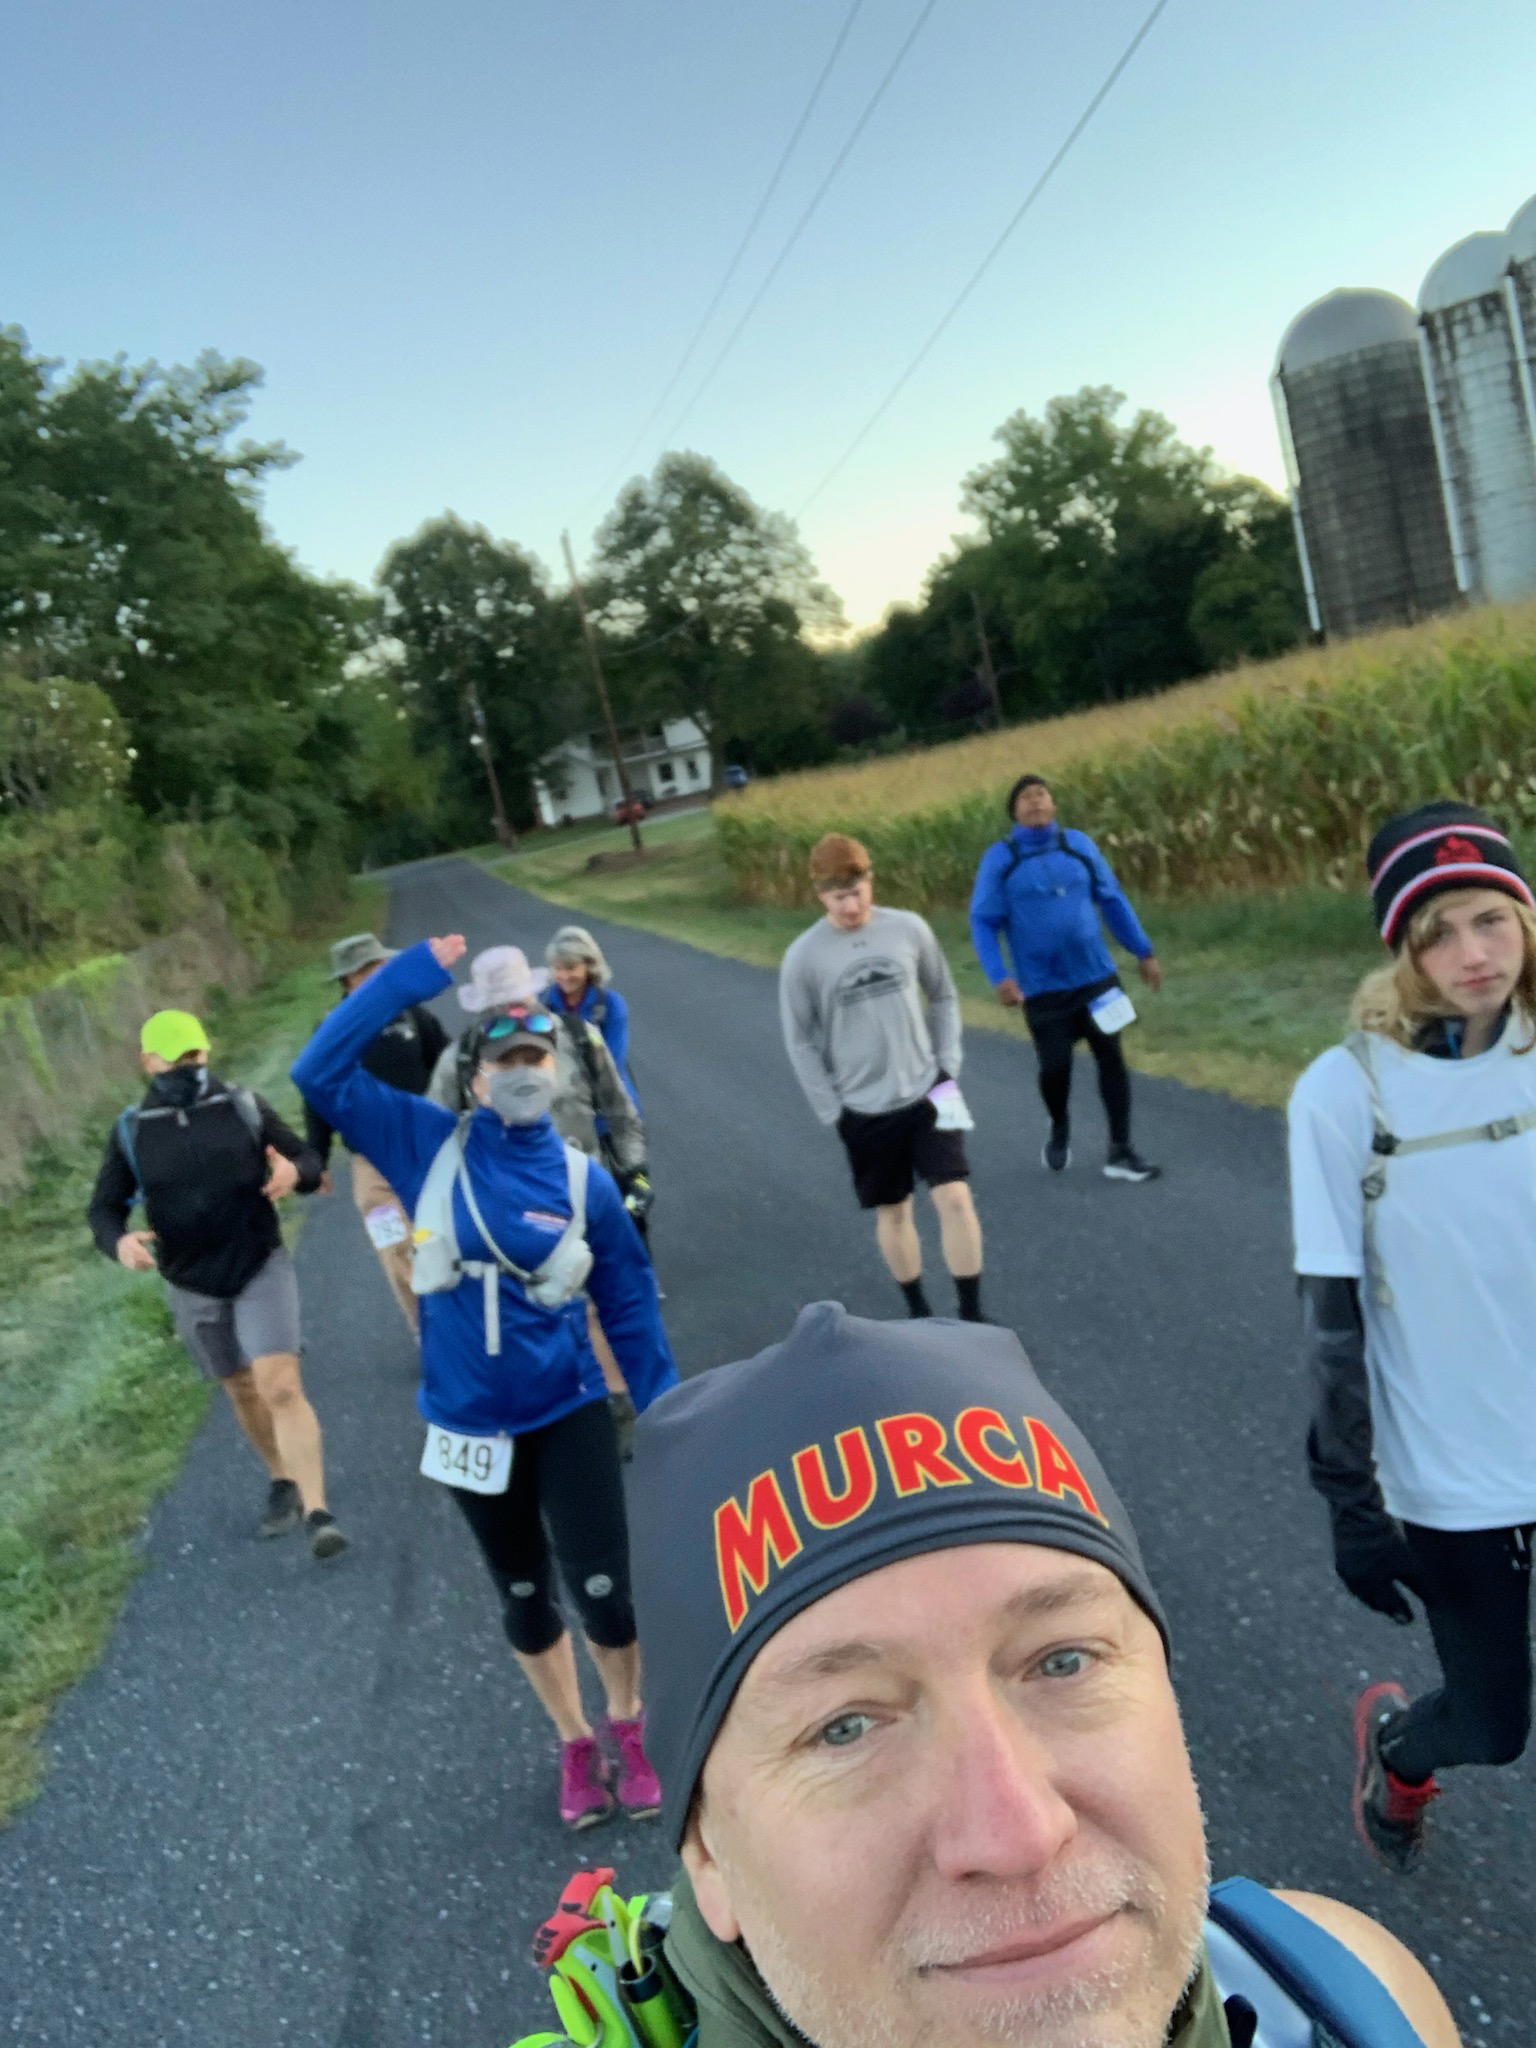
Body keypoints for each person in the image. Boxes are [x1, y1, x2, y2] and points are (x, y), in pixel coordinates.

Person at [624, 1304, 1459, 2048]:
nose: (1018, 1833)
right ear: (707, 1855)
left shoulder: (1351, 1997)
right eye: (845, 1726)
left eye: (1064, 1661)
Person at [293, 935, 676, 1828]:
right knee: (523, 1594)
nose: (521, 1073)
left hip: (568, 1408)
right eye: (504, 1061)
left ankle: (627, 1723)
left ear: (557, 1071)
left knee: (606, 1593)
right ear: (473, 1080)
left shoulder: (583, 1181)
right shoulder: (425, 1144)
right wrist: (408, 976)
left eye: (535, 1058)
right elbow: (317, 1070)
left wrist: (667, 1414)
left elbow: (629, 1308)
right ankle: (574, 1742)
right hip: (466, 1424)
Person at [1288, 800, 1536, 1876]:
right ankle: (1397, 1750)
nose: (1472, 954)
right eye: (1438, 933)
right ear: (1402, 950)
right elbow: (1329, 1323)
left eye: (1491, 919)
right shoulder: (1346, 1093)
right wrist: (1351, 1501)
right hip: (1453, 1476)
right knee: (1492, 1723)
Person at [87, 1008, 346, 1560]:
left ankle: (318, 1511)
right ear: (148, 1062)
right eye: (175, 1058)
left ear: (207, 1052)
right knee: (242, 1387)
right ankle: (281, 1476)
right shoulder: (133, 1131)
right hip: (191, 1279)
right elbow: (104, 1208)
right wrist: (120, 1243)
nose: (188, 1066)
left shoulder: (242, 1106)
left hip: (258, 1262)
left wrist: (294, 1172)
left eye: (195, 1054)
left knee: (280, 1384)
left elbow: (306, 1157)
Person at [427, 944, 653, 1443]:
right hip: (503, 1211)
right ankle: (556, 1416)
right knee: (536, 1313)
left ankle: (621, 1405)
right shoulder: (461, 1059)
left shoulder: (580, 1037)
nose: (512, 1012)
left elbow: (619, 1110)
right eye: (499, 1005)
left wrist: (635, 1172)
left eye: (518, 1000)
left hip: (584, 1195)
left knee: (603, 1301)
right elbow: (432, 1137)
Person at [780, 834, 985, 1324]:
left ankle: (973, 1317)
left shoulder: (908, 929)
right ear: (820, 895)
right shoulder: (803, 957)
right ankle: (920, 1315)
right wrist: (833, 1111)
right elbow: (800, 1041)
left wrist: (948, 1064)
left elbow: (943, 995)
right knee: (894, 1211)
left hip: (931, 1089)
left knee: (956, 1198)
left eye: (856, 892)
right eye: (838, 897)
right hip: (863, 1107)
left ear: (870, 882)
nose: (850, 906)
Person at [969, 772, 1163, 1182]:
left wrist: (1143, 951)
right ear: (1014, 812)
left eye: (1042, 794)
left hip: (1098, 979)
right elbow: (983, 921)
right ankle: (1059, 1124)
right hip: (1043, 988)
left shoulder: (1078, 845)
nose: (1035, 801)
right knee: (1055, 1069)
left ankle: (1120, 1149)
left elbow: (1112, 899)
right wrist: (999, 976)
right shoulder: (1001, 859)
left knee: (1112, 1057)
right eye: (1025, 797)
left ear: (1054, 805)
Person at [303, 932, 449, 1335]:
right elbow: (317, 1096)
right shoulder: (331, 1031)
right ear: (348, 980)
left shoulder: (414, 1016)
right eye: (368, 971)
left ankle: (463, 1328)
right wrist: (315, 1159)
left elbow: (448, 1067)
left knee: (447, 1239)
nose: (380, 976)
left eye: (383, 967)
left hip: (428, 1151)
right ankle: (430, 1335)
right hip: (372, 1166)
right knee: (397, 1248)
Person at [545, 923, 640, 1108]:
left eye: (571, 968)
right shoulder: (542, 1003)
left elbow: (614, 1063)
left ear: (589, 966)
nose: (564, 976)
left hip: (607, 1105)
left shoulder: (611, 1005)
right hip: (560, 1104)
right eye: (558, 968)